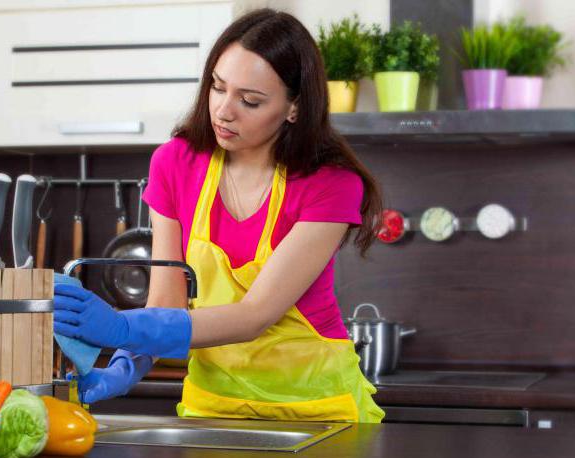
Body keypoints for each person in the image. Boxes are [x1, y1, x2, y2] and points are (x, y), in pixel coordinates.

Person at [54, 8, 384, 423]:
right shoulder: (175, 163)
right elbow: (166, 302)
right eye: (218, 87)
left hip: (317, 415)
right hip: (211, 411)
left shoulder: (330, 184)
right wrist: (123, 367)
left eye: (250, 100)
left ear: (294, 108)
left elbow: (255, 316)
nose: (224, 111)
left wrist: (120, 327)